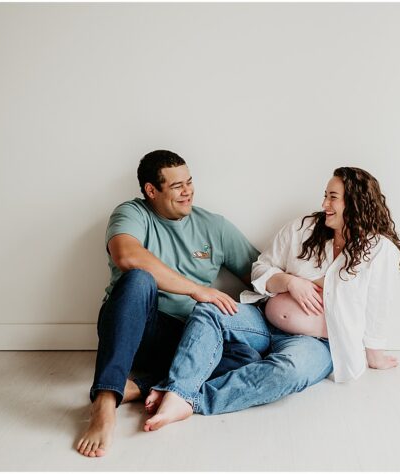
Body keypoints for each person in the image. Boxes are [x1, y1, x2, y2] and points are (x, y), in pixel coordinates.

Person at [141, 166, 400, 431]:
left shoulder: (381, 250)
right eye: (325, 195)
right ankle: (177, 392)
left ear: (356, 201)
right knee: (210, 308)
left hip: (317, 343)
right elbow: (260, 269)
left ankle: (192, 399)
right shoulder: (303, 228)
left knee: (290, 371)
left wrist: (375, 355)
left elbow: (377, 307)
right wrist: (290, 281)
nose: (324, 204)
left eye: (333, 197)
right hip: (261, 319)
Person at [76, 150, 261, 457]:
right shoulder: (131, 214)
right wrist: (196, 290)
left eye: (189, 182)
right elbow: (127, 256)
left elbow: (260, 274)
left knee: (247, 355)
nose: (188, 191)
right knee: (138, 279)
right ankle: (106, 400)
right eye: (177, 186)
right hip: (138, 326)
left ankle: (143, 386)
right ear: (152, 190)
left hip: (186, 337)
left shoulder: (214, 226)